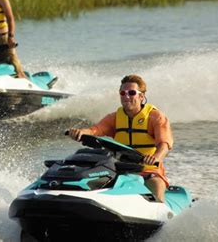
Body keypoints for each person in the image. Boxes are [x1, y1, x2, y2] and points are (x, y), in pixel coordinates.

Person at [68, 74, 173, 202]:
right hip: (120, 171)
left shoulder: (155, 117)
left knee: (157, 194)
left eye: (132, 92)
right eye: (122, 93)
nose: (126, 96)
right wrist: (80, 132)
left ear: (141, 96)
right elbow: (95, 130)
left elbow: (164, 144)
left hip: (149, 171)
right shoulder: (115, 118)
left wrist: (155, 158)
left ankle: (162, 215)